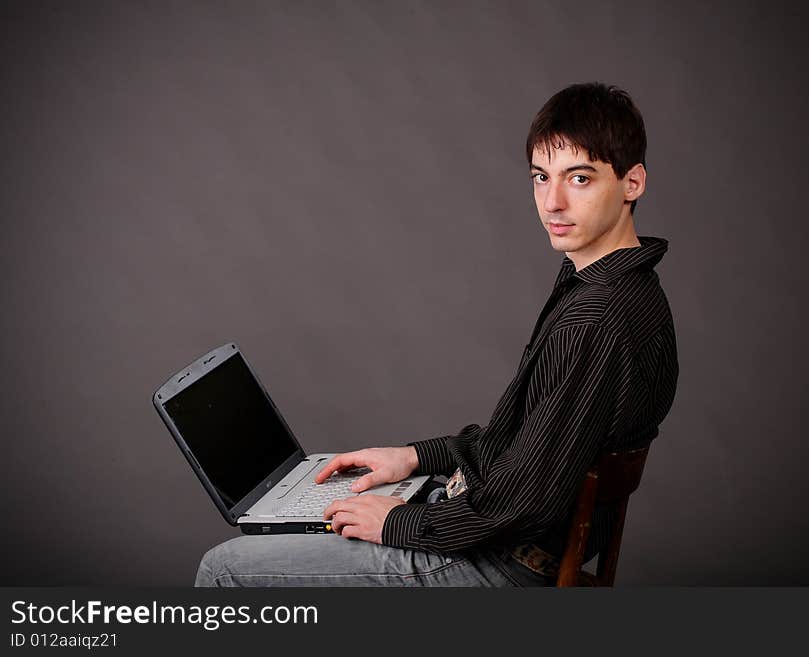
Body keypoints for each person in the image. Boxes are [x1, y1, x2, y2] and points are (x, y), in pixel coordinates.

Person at [195, 82, 678, 587]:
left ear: (632, 183)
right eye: (540, 177)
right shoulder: (621, 288)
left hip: (503, 563)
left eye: (579, 178)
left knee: (226, 568)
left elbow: (524, 501)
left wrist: (399, 521)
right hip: (499, 538)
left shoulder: (598, 316)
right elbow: (526, 444)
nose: (552, 201)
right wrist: (413, 458)